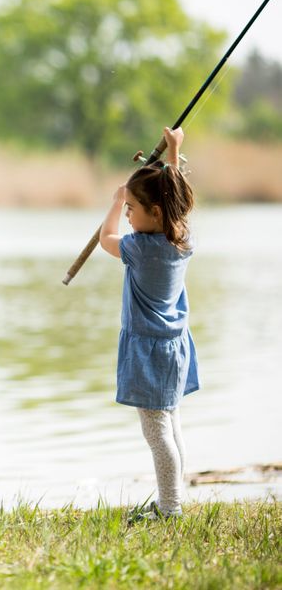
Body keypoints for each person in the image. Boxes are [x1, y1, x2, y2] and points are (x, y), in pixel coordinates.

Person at [99, 127, 200, 520]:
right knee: (172, 426)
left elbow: (108, 237)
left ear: (154, 212)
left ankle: (170, 507)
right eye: (126, 208)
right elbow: (175, 199)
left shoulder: (138, 249)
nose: (127, 215)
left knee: (157, 434)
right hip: (175, 348)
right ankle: (175, 499)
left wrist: (113, 200)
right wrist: (174, 151)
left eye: (132, 209)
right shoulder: (182, 240)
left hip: (148, 351)